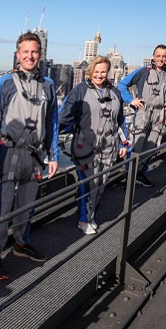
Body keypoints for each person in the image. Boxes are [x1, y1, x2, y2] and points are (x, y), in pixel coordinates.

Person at [0, 32, 59, 280]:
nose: (30, 56)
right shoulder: (4, 83)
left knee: (27, 205)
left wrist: (53, 154)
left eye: (34, 51)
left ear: (40, 54)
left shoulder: (48, 85)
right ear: (17, 54)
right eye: (25, 51)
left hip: (35, 155)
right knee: (2, 206)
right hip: (8, 154)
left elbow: (52, 123)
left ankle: (20, 243)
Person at [59, 56, 129, 235]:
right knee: (89, 183)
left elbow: (119, 120)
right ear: (90, 72)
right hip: (85, 147)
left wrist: (124, 141)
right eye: (96, 71)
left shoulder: (114, 92)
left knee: (101, 183)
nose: (99, 75)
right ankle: (84, 219)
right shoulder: (80, 90)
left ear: (108, 72)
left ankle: (91, 216)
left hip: (109, 147)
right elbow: (63, 116)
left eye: (103, 71)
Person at [118, 44, 166, 187]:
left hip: (159, 114)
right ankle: (129, 177)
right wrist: (131, 100)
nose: (161, 59)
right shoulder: (143, 72)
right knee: (137, 146)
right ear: (153, 56)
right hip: (143, 113)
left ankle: (139, 173)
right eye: (158, 56)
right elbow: (122, 85)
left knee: (152, 147)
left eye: (164, 56)